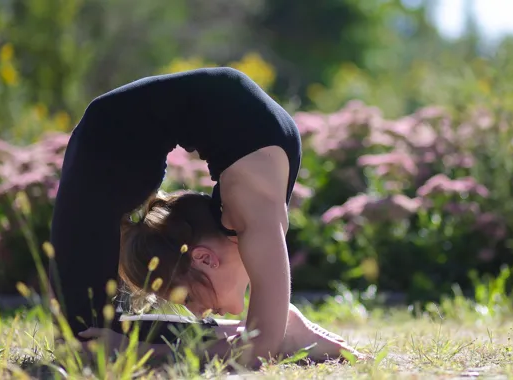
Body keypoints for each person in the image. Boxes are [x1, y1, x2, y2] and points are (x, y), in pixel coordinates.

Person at [50, 67, 362, 367]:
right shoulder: (254, 215)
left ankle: (280, 328)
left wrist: (138, 350)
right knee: (82, 340)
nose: (198, 313)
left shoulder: (253, 216)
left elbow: (254, 354)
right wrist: (265, 334)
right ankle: (280, 327)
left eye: (187, 302)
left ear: (204, 259)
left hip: (112, 133)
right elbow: (257, 347)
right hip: (115, 132)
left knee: (79, 343)